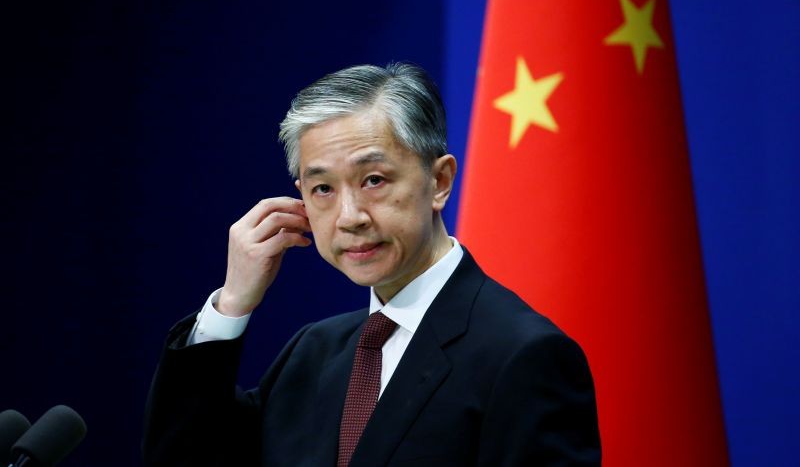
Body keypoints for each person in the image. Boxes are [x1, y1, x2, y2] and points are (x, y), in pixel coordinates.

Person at [142, 63, 601, 466]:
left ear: (439, 181)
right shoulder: (311, 353)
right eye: (323, 189)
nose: (350, 217)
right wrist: (231, 306)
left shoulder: (523, 355)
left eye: (374, 180)